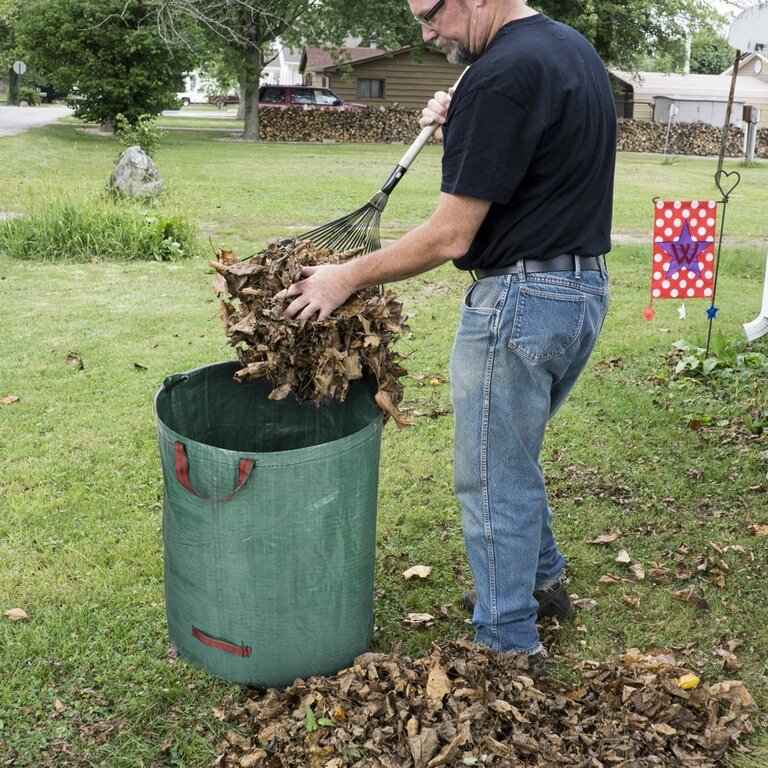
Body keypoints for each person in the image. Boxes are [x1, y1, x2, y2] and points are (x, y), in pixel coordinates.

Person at [279, 0, 615, 666]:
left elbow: (449, 234)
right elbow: (529, 151)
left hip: (520, 299)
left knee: (489, 476)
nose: (425, 33)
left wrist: (344, 277)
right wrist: (465, 120)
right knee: (511, 456)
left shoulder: (500, 76)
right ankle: (544, 584)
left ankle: (508, 645)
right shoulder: (564, 49)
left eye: (432, 13)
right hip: (581, 290)